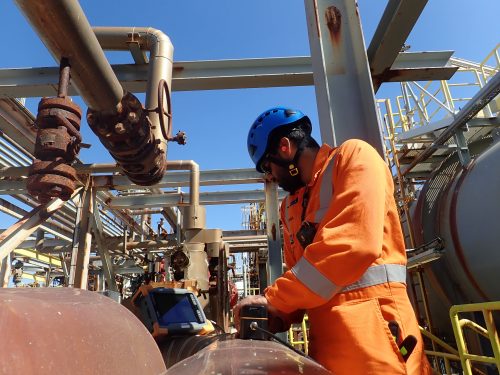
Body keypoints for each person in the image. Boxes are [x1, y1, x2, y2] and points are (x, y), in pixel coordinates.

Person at [235, 107, 432, 374]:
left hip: (378, 343)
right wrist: (278, 315)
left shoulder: (353, 157)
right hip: (327, 353)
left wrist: (275, 300)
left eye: (268, 168)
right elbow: (301, 275)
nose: (270, 177)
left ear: (284, 147)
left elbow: (353, 247)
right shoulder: (290, 207)